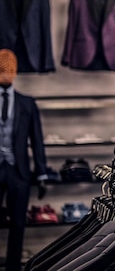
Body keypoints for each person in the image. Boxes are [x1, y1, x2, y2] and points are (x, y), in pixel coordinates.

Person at [0, 48, 48, 271]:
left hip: (18, 171)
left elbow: (37, 140)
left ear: (15, 71)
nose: (5, 73)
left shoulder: (26, 103)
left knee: (19, 224)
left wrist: (41, 172)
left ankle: (12, 268)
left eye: (8, 69)